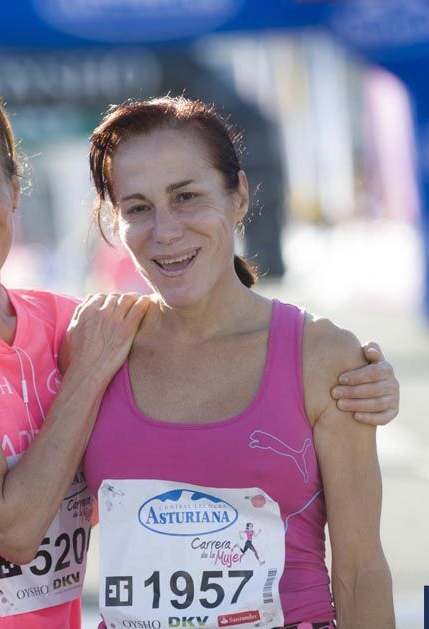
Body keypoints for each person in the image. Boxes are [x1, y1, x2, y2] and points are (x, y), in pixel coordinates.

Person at [0, 76, 398, 627]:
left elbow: (123, 501)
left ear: (14, 188)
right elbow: (17, 529)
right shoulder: (78, 346)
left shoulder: (69, 326)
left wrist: (367, 377)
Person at [82, 97, 395, 628]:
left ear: (239, 196)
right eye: (138, 208)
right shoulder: (91, 346)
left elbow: (360, 571)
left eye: (186, 197)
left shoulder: (323, 357)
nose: (165, 230)